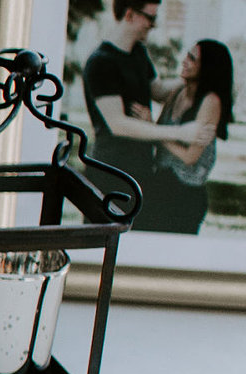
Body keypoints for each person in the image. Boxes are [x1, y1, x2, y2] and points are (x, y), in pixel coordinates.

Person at [95, 37, 234, 234]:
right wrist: (150, 124)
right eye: (187, 55)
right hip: (160, 182)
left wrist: (152, 128)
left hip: (186, 194)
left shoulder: (211, 102)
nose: (185, 61)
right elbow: (160, 131)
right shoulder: (178, 91)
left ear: (207, 68)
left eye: (192, 59)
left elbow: (189, 157)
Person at [80, 0, 165, 203]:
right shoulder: (102, 62)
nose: (153, 25)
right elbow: (117, 124)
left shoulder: (139, 52)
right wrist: (181, 133)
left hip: (141, 169)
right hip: (110, 171)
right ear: (130, 14)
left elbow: (160, 91)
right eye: (150, 18)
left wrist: (200, 77)